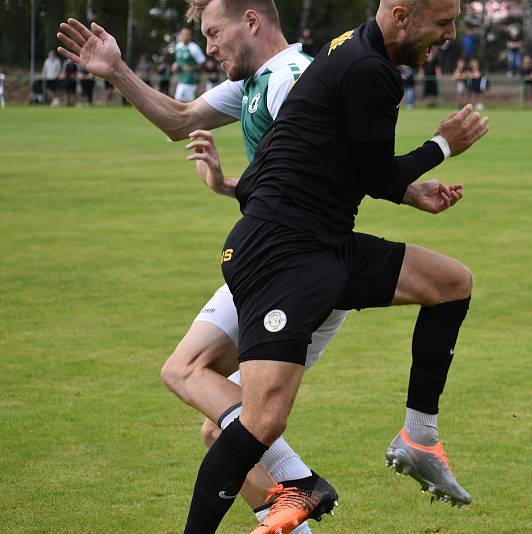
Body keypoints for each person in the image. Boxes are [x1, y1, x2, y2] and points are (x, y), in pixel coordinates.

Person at [181, 0, 488, 532]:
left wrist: (237, 186)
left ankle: (418, 436)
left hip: (324, 244)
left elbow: (325, 159)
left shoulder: (353, 47)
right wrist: (443, 144)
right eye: (442, 22)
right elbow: (379, 177)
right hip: (282, 256)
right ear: (399, 15)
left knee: (451, 283)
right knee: (258, 422)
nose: (450, 34)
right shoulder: (371, 69)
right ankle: (281, 495)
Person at [56, 4, 342, 533]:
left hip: (296, 270)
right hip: (267, 264)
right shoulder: (255, 82)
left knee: (197, 385)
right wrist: (117, 70)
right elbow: (178, 119)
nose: (208, 46)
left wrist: (408, 181)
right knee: (221, 430)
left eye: (213, 32)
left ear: (250, 21)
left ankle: (298, 480)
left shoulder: (290, 82)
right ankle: (296, 504)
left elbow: (326, 180)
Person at [173, 27, 207, 102]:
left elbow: (203, 63)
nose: (184, 36)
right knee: (179, 100)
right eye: (182, 34)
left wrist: (192, 68)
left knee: (184, 101)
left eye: (186, 34)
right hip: (181, 77)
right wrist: (175, 64)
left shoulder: (194, 48)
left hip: (191, 79)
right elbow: (178, 60)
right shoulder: (178, 46)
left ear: (190, 36)